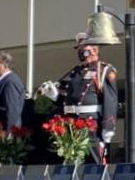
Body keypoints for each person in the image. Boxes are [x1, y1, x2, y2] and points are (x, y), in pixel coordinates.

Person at [39, 33, 119, 163]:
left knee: (95, 163)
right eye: (79, 48)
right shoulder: (76, 71)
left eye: (83, 48)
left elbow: (110, 101)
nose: (80, 51)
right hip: (72, 125)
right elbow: (69, 100)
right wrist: (55, 96)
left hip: (91, 125)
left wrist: (108, 127)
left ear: (94, 49)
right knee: (73, 164)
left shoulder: (104, 70)